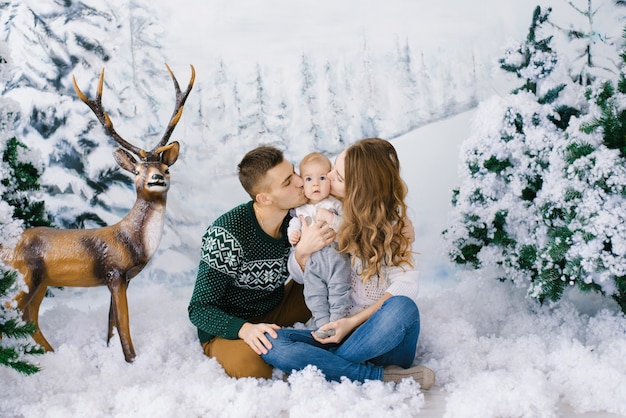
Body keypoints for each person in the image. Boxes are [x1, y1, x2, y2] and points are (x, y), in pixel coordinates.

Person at [261, 138, 435, 390]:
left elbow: (405, 286)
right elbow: (301, 277)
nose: (327, 177)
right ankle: (381, 377)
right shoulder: (320, 213)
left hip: (378, 338)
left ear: (358, 189)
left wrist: (351, 323)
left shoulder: (393, 227)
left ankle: (322, 367)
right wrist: (303, 251)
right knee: (271, 340)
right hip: (332, 331)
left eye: (337, 176)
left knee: (403, 308)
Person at [187, 145, 336, 379]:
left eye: (295, 172)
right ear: (264, 198)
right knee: (253, 368)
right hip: (231, 326)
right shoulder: (226, 234)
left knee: (330, 279)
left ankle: (340, 341)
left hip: (275, 307)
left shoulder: (296, 216)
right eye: (288, 182)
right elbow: (199, 309)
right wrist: (244, 329)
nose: (300, 182)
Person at [287, 152, 351, 337]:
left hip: (335, 255)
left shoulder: (334, 203)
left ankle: (338, 320)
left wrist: (331, 218)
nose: (316, 184)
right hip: (312, 262)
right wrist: (294, 233)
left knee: (339, 288)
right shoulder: (300, 208)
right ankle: (322, 325)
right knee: (314, 294)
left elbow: (348, 223)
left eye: (322, 177)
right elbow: (295, 223)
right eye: (309, 179)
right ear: (302, 183)